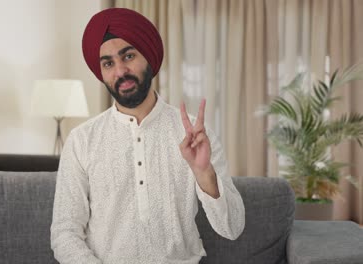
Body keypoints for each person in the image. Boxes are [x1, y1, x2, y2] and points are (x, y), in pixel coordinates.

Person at [50, 8, 245, 264]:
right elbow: (65, 233)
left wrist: (204, 174)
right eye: (108, 63)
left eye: (128, 56)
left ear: (148, 58)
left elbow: (232, 228)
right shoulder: (81, 140)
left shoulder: (194, 135)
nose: (120, 71)